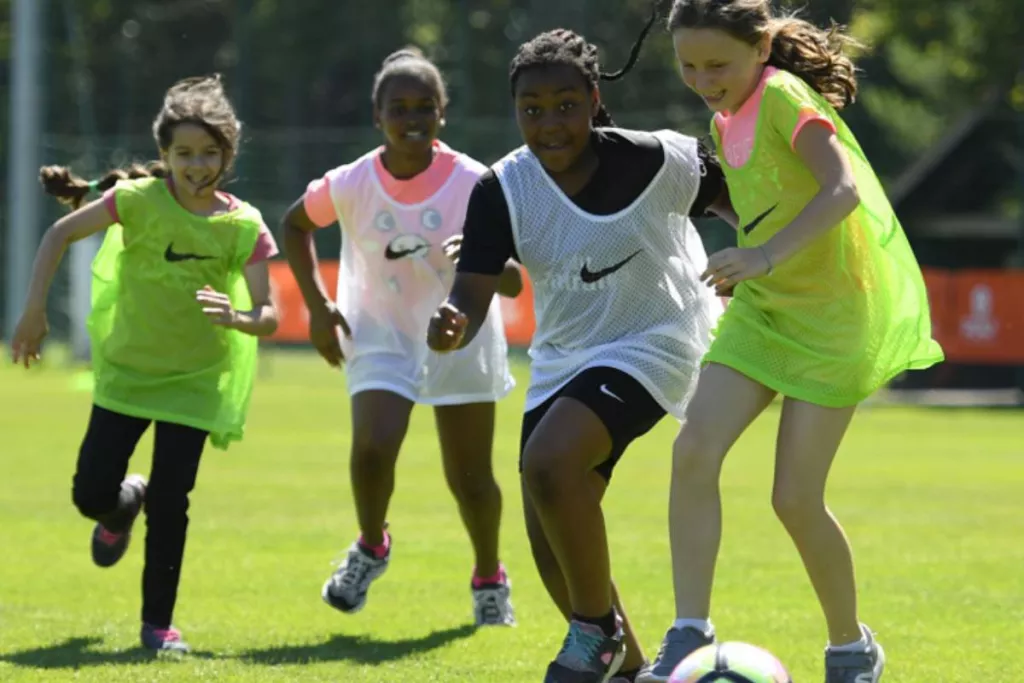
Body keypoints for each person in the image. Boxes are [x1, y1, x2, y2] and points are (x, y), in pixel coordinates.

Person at [639, 2, 945, 681]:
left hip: (834, 320)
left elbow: (841, 191)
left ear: (760, 48)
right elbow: (764, 196)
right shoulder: (721, 119)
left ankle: (850, 646)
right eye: (688, 65)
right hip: (765, 312)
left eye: (717, 64)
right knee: (692, 450)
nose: (703, 79)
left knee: (794, 498)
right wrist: (737, 245)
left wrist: (764, 254)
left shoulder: (782, 94)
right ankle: (689, 631)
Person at [426, 14, 732, 682]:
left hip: (661, 334)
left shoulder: (659, 159)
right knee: (549, 535)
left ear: (595, 102)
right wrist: (452, 318)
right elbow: (472, 293)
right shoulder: (501, 189)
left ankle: (594, 631)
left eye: (566, 106)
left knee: (550, 460)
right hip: (566, 355)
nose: (550, 123)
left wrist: (760, 261)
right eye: (532, 110)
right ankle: (628, 665)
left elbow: (744, 206)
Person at [10, 74, 280, 653]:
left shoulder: (245, 226)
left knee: (173, 503)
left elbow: (269, 313)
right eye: (184, 153)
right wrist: (33, 312)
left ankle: (157, 627)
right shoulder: (136, 202)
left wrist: (238, 318)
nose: (197, 164)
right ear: (165, 156)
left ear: (228, 156)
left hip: (194, 382)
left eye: (210, 152)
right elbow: (58, 234)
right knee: (90, 494)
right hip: (128, 376)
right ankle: (122, 503)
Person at [281, 47, 521, 627]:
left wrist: (481, 261)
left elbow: (512, 281)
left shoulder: (474, 182)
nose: (411, 118)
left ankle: (489, 577)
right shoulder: (352, 181)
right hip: (380, 330)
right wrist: (317, 309)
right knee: (371, 448)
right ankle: (371, 544)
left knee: (469, 478)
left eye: (424, 107)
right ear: (377, 116)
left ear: (442, 113)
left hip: (460, 337)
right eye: (398, 107)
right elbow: (293, 224)